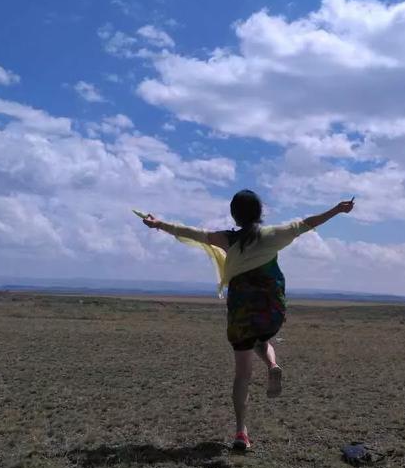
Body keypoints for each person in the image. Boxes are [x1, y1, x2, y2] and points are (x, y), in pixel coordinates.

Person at [141, 190, 355, 451]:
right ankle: (272, 364)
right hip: (270, 310)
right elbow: (308, 223)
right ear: (260, 212)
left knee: (242, 374)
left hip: (242, 313)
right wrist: (337, 209)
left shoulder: (228, 239)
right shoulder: (273, 235)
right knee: (262, 339)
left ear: (235, 215)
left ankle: (241, 432)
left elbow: (191, 232)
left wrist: (158, 224)